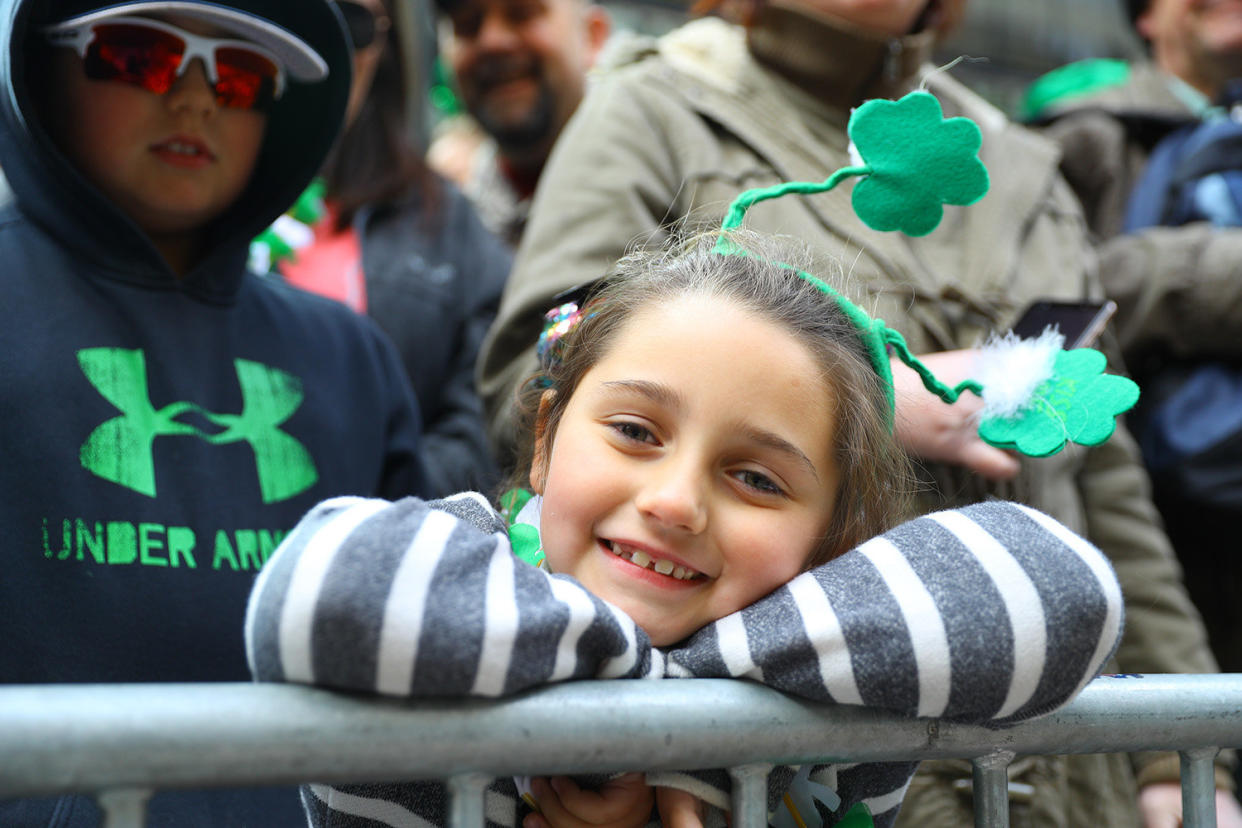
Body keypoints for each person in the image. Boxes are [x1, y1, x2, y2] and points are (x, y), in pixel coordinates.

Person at [474, 0, 1239, 825]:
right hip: (801, 770)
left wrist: (1184, 762)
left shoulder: (1023, 165)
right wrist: (877, 402)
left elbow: (1107, 482)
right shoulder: (657, 106)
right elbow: (544, 366)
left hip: (1062, 769)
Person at [247, 227, 1126, 828]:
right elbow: (318, 596)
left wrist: (681, 741)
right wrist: (643, 705)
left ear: (831, 533)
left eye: (756, 477)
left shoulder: (850, 645)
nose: (674, 502)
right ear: (547, 439)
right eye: (635, 432)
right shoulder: (465, 552)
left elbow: (1065, 593)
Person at [0, 0, 425, 823]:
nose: (196, 99)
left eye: (239, 73)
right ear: (43, 68)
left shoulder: (348, 359)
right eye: (139, 55)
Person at [1027, 0, 1242, 687]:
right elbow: (1047, 308)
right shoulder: (1087, 132)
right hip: (1154, 503)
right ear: (1147, 16)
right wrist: (1215, 274)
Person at [254, 0, 513, 496]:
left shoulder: (444, 220)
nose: (321, 43)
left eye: (351, 22)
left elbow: (487, 416)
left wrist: (379, 514)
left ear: (384, 47)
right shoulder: (185, 188)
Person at [426, 0, 611, 244]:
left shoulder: (661, 181)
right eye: (467, 24)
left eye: (522, 13)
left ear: (592, 36)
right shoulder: (444, 229)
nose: (492, 42)